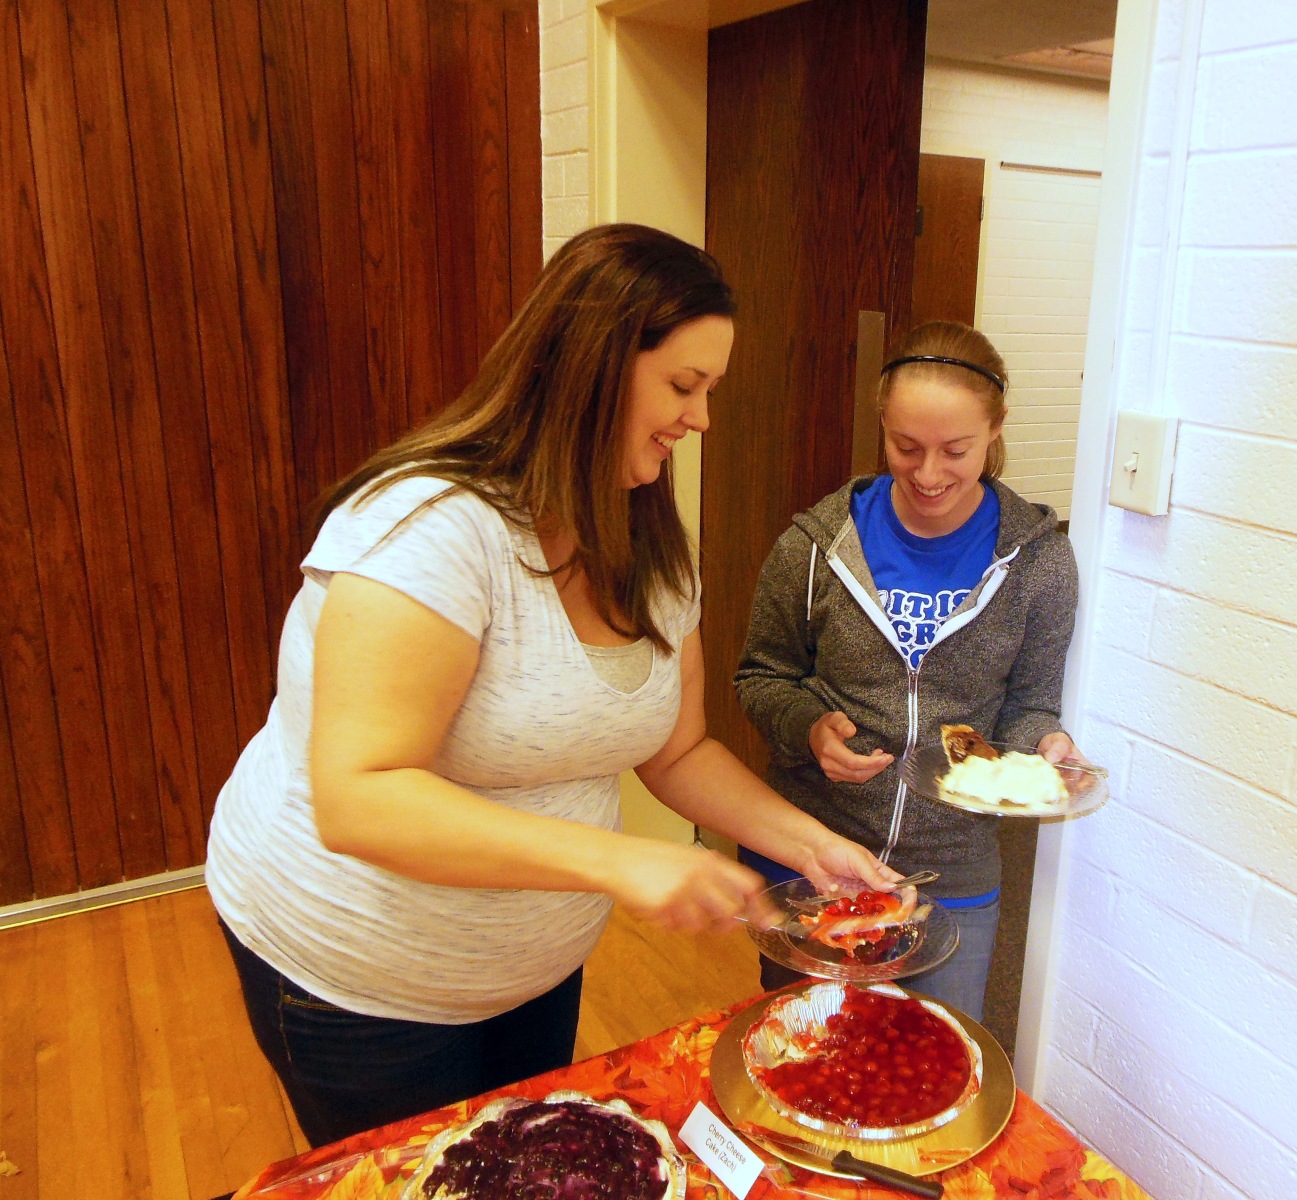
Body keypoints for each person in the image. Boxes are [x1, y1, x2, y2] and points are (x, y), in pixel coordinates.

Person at [205, 223, 894, 1147]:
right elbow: (360, 797)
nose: (701, 420)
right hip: (362, 981)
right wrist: (618, 861)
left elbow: (677, 749)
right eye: (683, 386)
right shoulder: (430, 530)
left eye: (710, 391)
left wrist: (814, 848)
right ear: (594, 366)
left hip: (533, 965)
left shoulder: (647, 540)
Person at [734, 320, 1083, 1021]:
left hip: (951, 870)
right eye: (905, 447)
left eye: (956, 451)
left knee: (938, 1053)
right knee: (807, 1052)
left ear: (996, 429)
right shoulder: (816, 547)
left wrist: (1042, 747)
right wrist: (809, 728)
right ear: (881, 425)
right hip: (813, 857)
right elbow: (760, 677)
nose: (928, 475)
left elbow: (1031, 705)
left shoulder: (1039, 562)